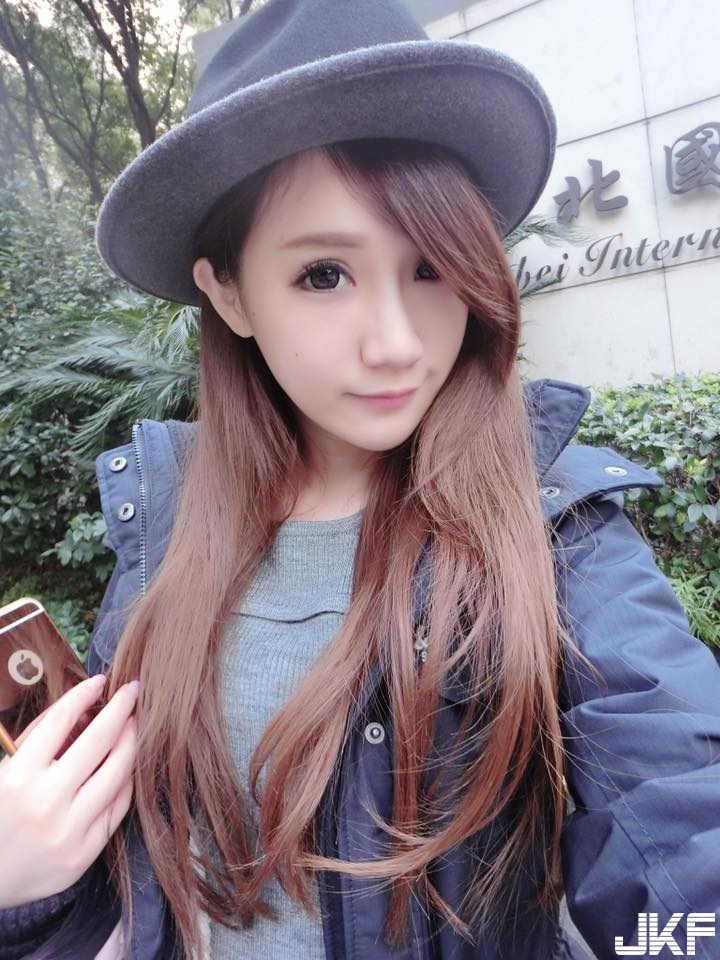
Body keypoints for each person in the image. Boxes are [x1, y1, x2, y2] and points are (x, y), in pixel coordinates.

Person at [2, 1, 720, 958]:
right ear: (228, 292)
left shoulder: (556, 532)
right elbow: (132, 892)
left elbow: (677, 817)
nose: (396, 343)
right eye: (324, 275)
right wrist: (20, 888)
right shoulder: (167, 533)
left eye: (430, 266)